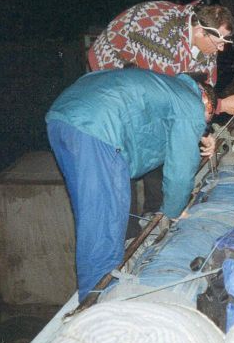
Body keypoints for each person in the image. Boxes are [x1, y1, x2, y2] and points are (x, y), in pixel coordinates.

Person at [46, 69, 216, 300]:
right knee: (105, 222)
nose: (202, 126)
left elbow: (152, 139)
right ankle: (99, 301)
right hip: (99, 128)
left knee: (89, 213)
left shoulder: (169, 88)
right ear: (205, 101)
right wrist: (174, 211)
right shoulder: (191, 102)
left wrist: (198, 134)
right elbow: (181, 169)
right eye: (206, 120)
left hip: (62, 119)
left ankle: (93, 292)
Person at [88, 0, 234, 116]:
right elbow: (168, 98)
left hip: (155, 64)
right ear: (199, 31)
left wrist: (213, 109)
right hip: (111, 60)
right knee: (136, 114)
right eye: (218, 43)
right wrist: (221, 106)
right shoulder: (162, 43)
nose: (221, 49)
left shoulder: (206, 33)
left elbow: (204, 87)